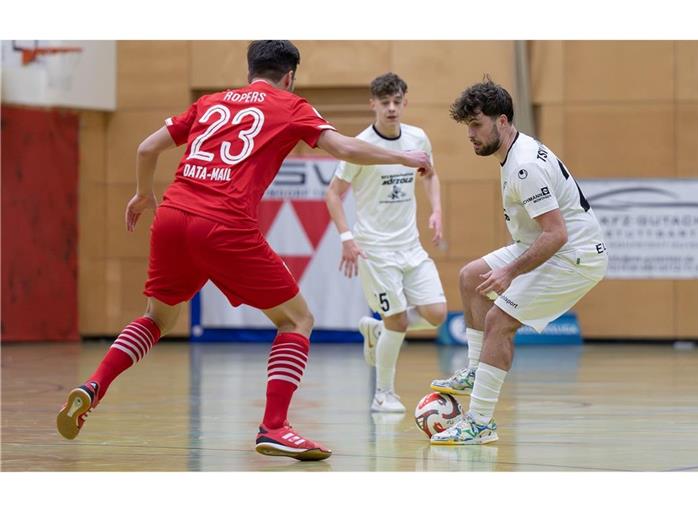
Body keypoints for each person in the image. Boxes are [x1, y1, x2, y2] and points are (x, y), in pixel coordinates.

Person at [55, 41, 433, 461]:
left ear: (249, 69)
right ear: (289, 76)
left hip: (172, 216)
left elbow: (146, 148)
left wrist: (144, 194)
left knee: (155, 319)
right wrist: (402, 156)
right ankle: (274, 426)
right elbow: (344, 148)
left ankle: (93, 386)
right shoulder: (291, 105)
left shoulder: (210, 101)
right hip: (223, 223)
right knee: (297, 319)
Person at [430, 78, 607, 445]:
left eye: (477, 125)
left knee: (499, 320)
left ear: (504, 121)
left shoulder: (524, 166)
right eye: (468, 127)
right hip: (544, 242)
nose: (471, 135)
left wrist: (509, 272)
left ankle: (479, 422)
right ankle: (475, 370)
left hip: (575, 255)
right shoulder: (514, 153)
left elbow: (557, 234)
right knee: (471, 276)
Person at [325, 73, 447, 413]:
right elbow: (333, 195)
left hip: (410, 245)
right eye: (385, 102)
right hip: (375, 249)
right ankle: (384, 394)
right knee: (399, 322)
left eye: (397, 101)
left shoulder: (417, 137)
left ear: (405, 102)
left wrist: (436, 209)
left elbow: (430, 174)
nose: (391, 108)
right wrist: (347, 238)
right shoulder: (359, 146)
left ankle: (377, 331)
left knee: (436, 314)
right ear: (373, 105)